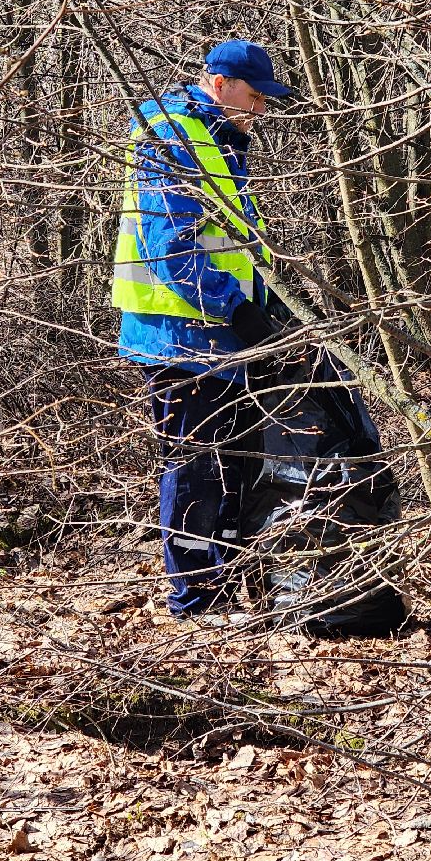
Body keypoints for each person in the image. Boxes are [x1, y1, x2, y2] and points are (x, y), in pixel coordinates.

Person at [111, 39, 293, 622]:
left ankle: (226, 587)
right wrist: (237, 308)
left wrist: (267, 305)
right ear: (219, 83)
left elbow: (230, 242)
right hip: (178, 336)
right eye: (256, 95)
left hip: (218, 334)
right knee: (195, 468)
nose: (262, 109)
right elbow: (170, 250)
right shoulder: (174, 138)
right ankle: (194, 600)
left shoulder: (220, 140)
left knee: (234, 464)